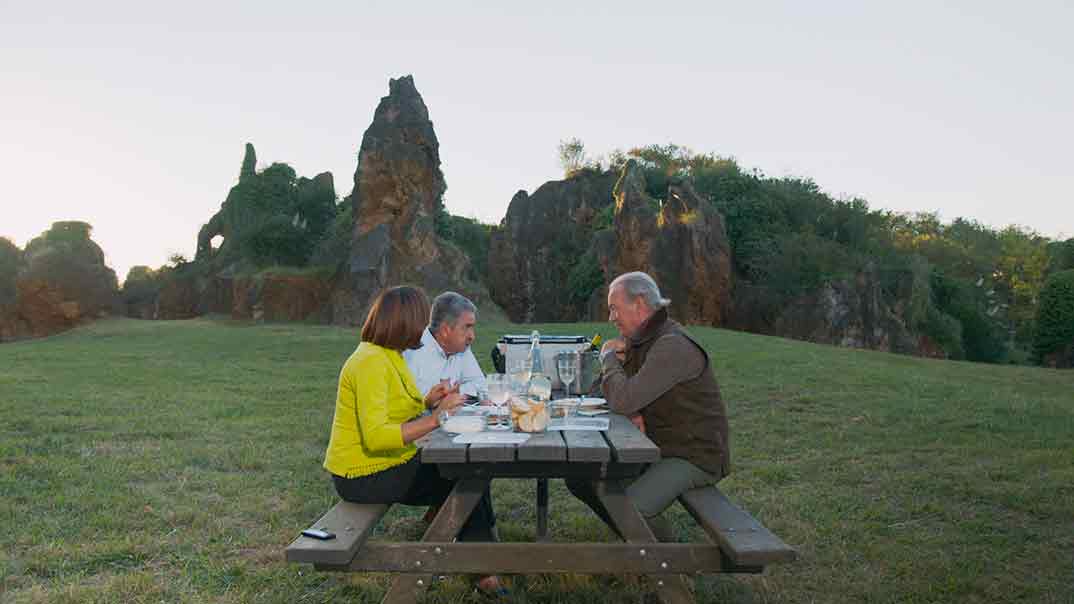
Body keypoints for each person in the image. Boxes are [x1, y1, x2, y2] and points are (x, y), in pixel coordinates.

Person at [323, 285, 507, 596]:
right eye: (421, 321)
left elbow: (394, 408)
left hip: (388, 463)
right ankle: (484, 567)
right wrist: (436, 418)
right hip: (362, 475)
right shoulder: (370, 361)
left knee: (470, 470)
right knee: (467, 479)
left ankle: (483, 554)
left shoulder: (387, 356)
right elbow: (378, 436)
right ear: (404, 321)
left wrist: (427, 400)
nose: (424, 330)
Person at [566, 271, 731, 541]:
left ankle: (671, 564)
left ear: (639, 304)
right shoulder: (643, 341)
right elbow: (603, 393)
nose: (611, 318)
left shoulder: (672, 345)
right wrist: (627, 399)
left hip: (694, 454)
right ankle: (634, 542)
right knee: (580, 478)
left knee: (631, 508)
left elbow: (623, 399)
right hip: (657, 446)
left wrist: (608, 358)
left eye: (614, 308)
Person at [403, 291, 488, 399]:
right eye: (467, 327)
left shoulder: (461, 348)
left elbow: (480, 384)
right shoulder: (413, 351)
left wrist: (459, 391)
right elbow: (410, 405)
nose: (472, 336)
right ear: (445, 330)